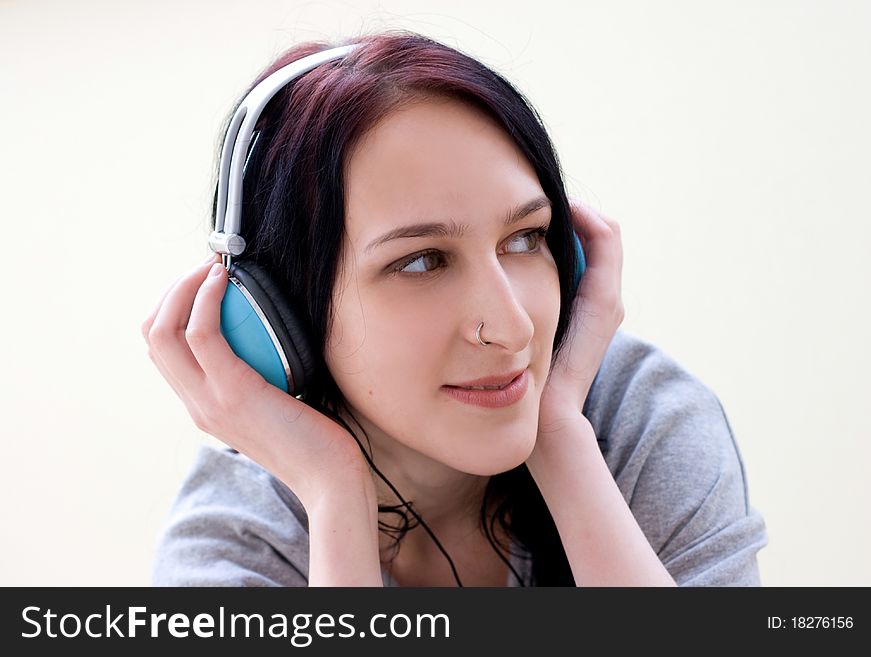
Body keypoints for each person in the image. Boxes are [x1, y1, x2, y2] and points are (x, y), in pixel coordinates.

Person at [142, 32, 768, 586]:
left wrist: (559, 438)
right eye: (421, 261)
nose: (515, 327)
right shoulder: (237, 545)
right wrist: (336, 495)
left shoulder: (639, 420)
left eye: (525, 239)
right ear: (280, 319)